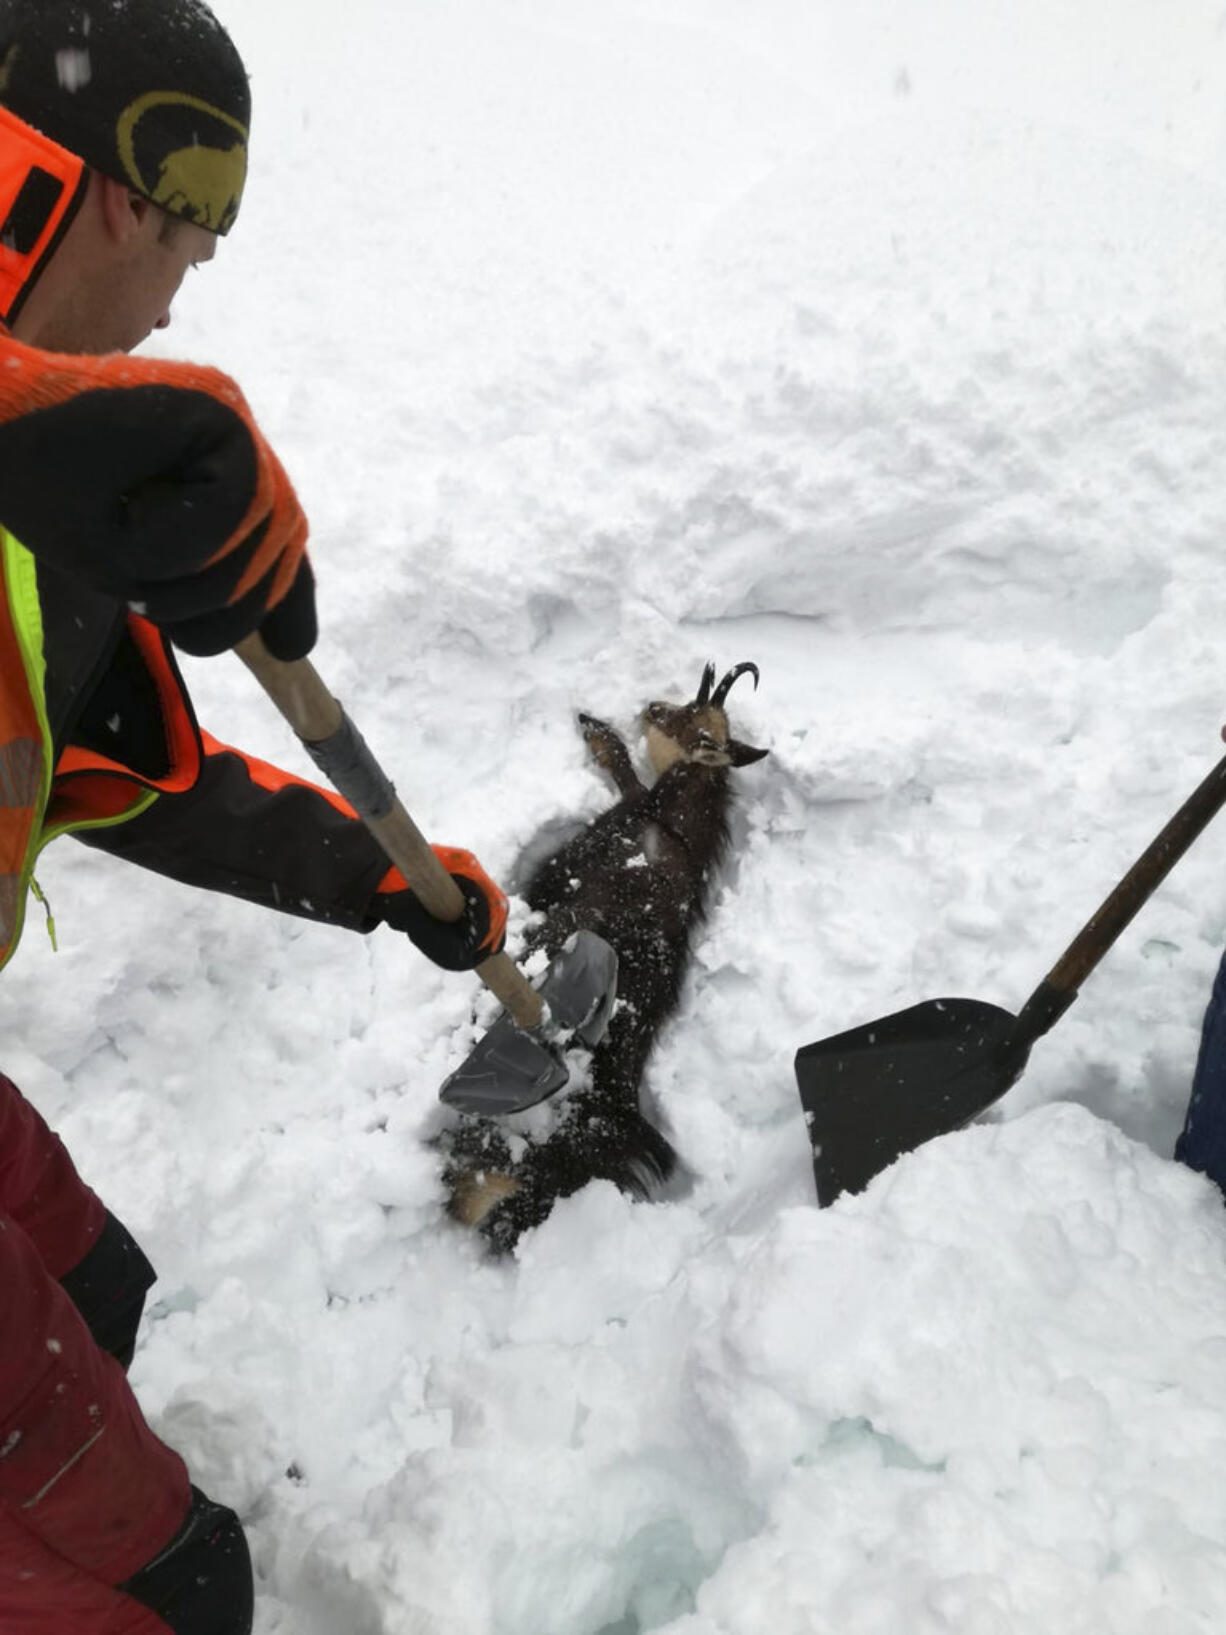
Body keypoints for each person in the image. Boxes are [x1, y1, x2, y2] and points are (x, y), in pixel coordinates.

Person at [0, 2, 508, 1630]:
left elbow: (128, 769)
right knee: (168, 1589)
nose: (194, 281)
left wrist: (373, 874)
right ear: (132, 193)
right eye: (200, 232)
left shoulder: (54, 475)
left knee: (100, 1285)